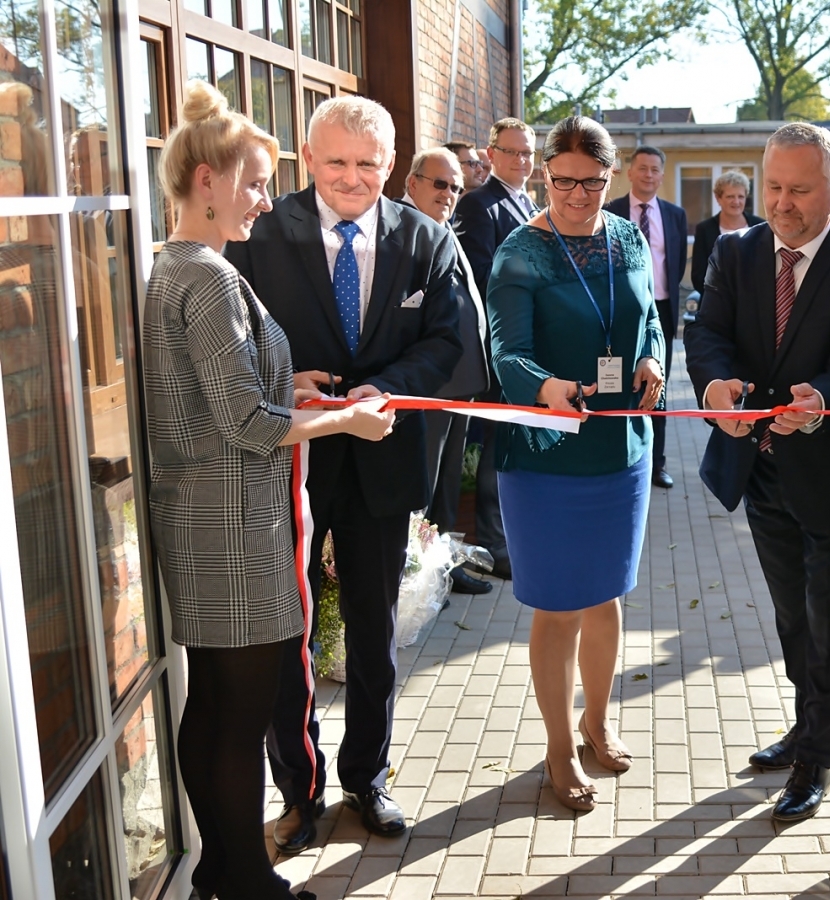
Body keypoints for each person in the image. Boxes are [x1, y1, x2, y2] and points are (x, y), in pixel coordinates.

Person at [144, 81, 396, 900]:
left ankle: (220, 867)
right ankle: (249, 881)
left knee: (213, 708)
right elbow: (248, 424)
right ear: (207, 181)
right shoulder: (211, 278)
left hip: (202, 522)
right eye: (254, 183)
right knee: (238, 716)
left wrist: (293, 387)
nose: (265, 199)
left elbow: (214, 399)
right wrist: (345, 420)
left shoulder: (174, 267)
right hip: (235, 531)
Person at [225, 95, 462, 852]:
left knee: (374, 630)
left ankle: (368, 776)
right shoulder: (260, 233)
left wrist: (385, 386)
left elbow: (449, 342)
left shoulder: (426, 240)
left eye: (367, 164)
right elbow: (230, 343)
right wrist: (283, 381)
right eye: (335, 162)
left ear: (390, 163)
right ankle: (300, 791)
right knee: (286, 633)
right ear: (307, 158)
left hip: (382, 462)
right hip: (286, 460)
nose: (352, 177)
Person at [684, 123, 830, 822]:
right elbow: (707, 332)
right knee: (791, 613)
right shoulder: (735, 251)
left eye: (799, 191)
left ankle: (818, 757)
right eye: (772, 186)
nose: (781, 203)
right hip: (761, 467)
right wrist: (715, 384)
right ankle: (807, 725)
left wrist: (822, 399)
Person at [486, 115, 665, 812]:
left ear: (610, 177)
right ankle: (559, 747)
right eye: (564, 181)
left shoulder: (628, 237)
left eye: (592, 182)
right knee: (560, 606)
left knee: (606, 596)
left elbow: (650, 319)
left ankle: (597, 720)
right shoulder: (520, 252)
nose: (578, 195)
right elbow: (506, 351)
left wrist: (650, 359)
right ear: (544, 175)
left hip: (621, 449)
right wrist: (544, 389)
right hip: (547, 456)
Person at [400, 147, 494, 595]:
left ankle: (443, 570)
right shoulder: (400, 229)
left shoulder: (440, 226)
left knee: (448, 483)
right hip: (430, 385)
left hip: (461, 382)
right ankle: (414, 580)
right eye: (440, 184)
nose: (449, 194)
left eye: (456, 187)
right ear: (412, 182)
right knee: (423, 484)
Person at [452, 117, 540, 578]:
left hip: (531, 344)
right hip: (501, 345)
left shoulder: (531, 203)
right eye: (512, 152)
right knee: (497, 442)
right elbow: (481, 276)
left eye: (528, 153)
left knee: (519, 440)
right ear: (491, 155)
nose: (521, 160)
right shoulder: (478, 205)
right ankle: (493, 543)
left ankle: (516, 534)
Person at [605, 146, 689, 489]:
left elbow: (676, 263)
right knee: (616, 383)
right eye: (642, 168)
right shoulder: (610, 211)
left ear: (662, 175)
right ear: (630, 172)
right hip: (619, 313)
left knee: (657, 386)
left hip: (662, 310)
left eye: (655, 169)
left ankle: (657, 463)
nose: (649, 175)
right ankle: (617, 456)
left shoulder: (675, 215)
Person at [690, 170, 765, 295]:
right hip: (716, 302)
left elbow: (767, 270)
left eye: (741, 196)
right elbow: (698, 276)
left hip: (754, 302)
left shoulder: (761, 227)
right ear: (718, 198)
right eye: (730, 196)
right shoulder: (704, 230)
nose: (736, 202)